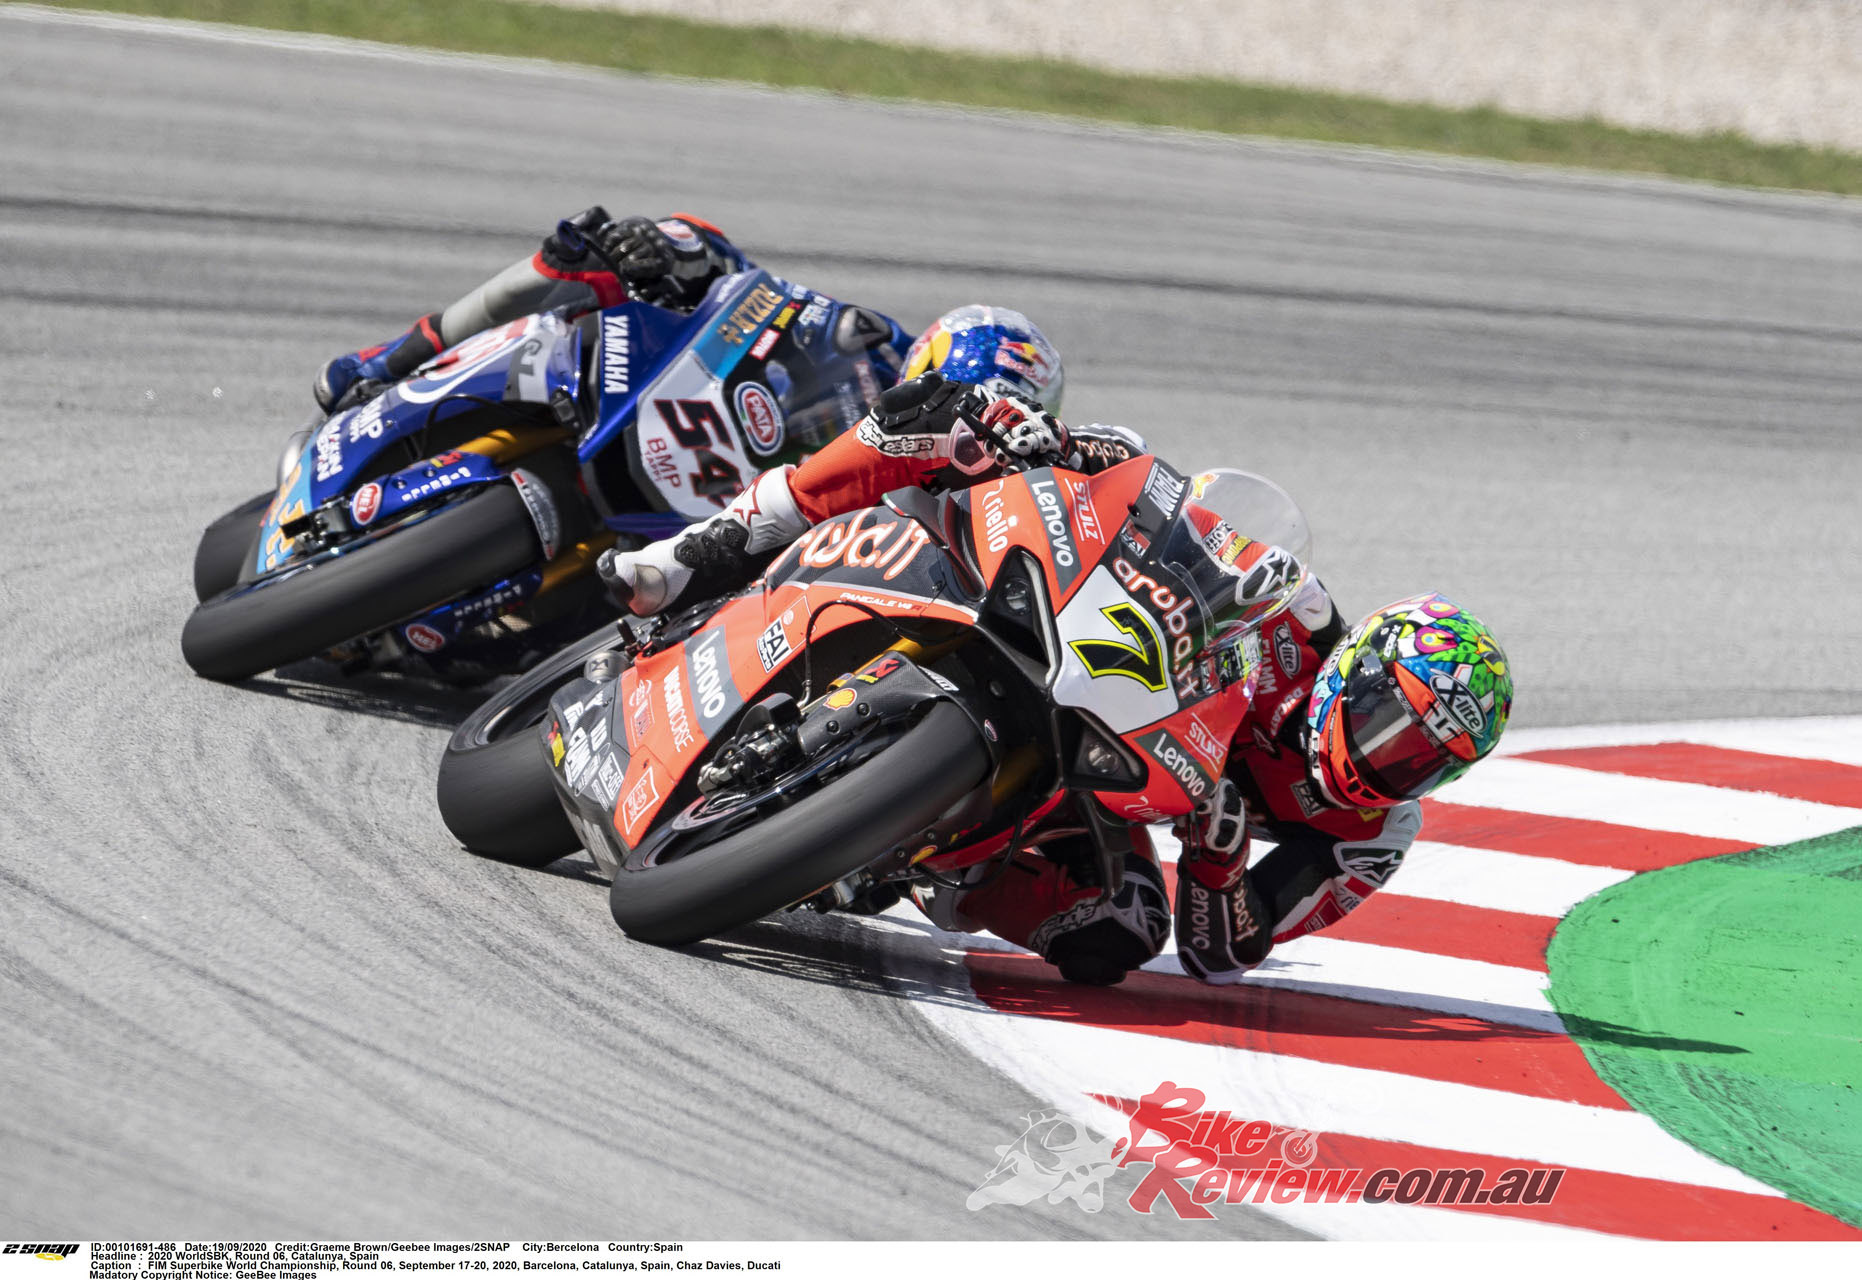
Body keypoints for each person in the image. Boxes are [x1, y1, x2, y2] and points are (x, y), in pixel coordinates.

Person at [599, 372, 1514, 987]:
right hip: (1105, 660)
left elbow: (1227, 955)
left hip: (1120, 783)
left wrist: (1218, 862)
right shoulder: (1302, 614)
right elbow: (1179, 515)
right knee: (954, 415)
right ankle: (703, 550)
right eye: (1390, 722)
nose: (1389, 758)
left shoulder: (1370, 837)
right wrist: (1070, 448)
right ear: (1359, 669)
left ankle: (912, 854)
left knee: (1119, 934)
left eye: (1420, 761)